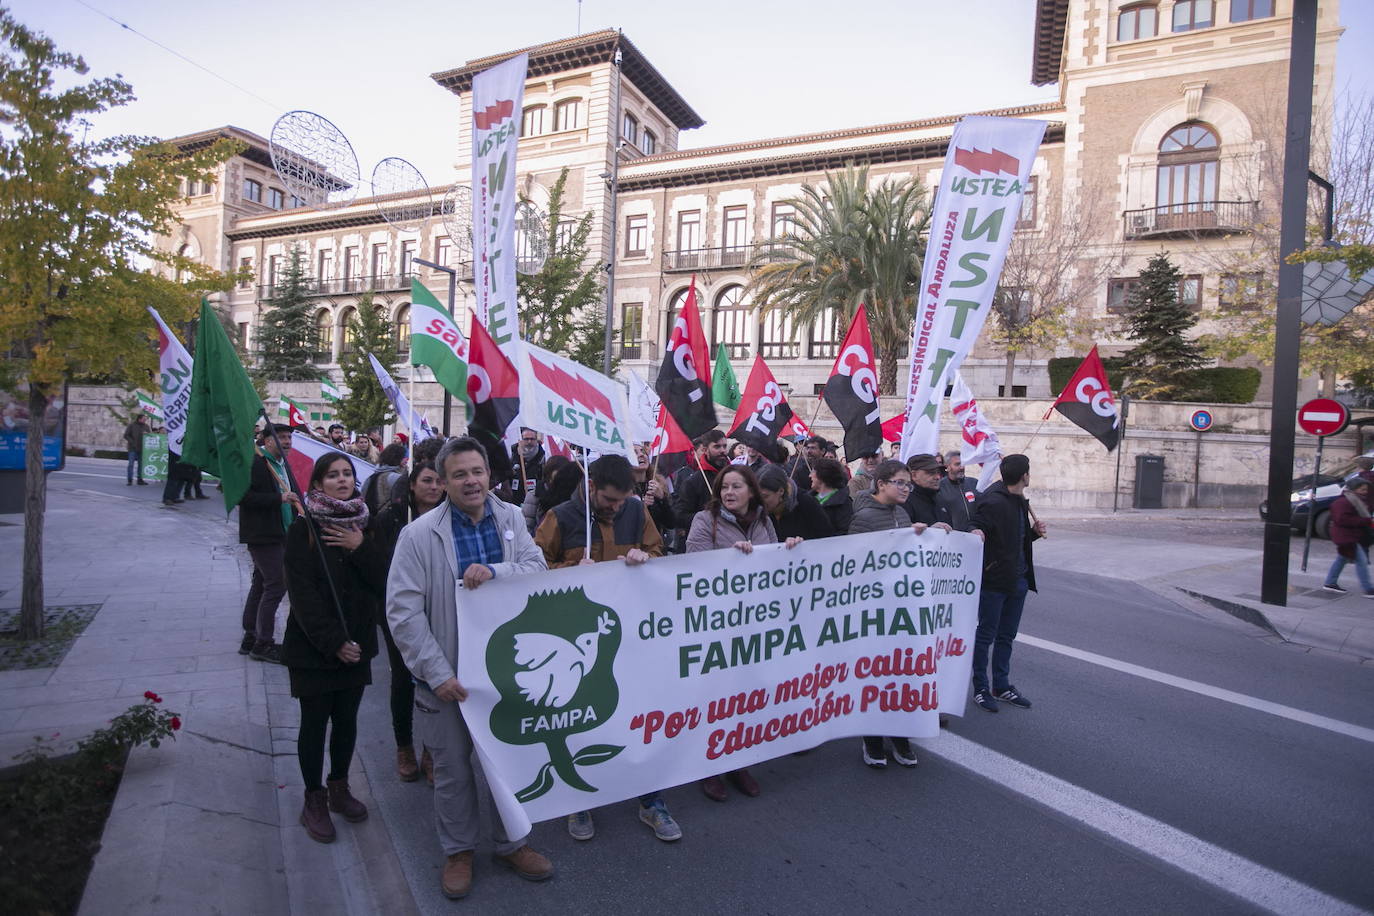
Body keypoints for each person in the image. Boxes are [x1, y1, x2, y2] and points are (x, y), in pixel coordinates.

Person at [385, 436, 553, 899]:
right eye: (459, 474)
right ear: (442, 482)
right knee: (453, 770)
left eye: (476, 471)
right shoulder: (418, 536)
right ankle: (459, 851)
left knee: (509, 765)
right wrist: (437, 673)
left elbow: (537, 570)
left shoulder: (512, 518)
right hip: (450, 679)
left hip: (508, 674)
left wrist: (497, 572)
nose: (471, 481)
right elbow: (403, 613)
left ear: (489, 474)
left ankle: (512, 843)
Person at [535, 455, 679, 842]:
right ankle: (578, 799)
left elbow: (661, 558)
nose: (618, 507)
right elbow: (531, 570)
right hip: (575, 642)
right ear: (593, 486)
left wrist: (645, 558)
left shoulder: (635, 510)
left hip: (630, 638)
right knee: (581, 722)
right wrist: (570, 573)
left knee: (640, 720)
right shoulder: (560, 517)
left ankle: (651, 801)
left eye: (623, 500)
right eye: (611, 499)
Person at [282, 451, 386, 844]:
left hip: (357, 648)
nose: (342, 480)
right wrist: (334, 642)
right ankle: (314, 799)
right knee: (314, 724)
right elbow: (302, 596)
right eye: (333, 475)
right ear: (318, 484)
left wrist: (360, 546)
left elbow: (383, 582)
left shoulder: (366, 524)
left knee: (346, 721)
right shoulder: (303, 528)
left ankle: (339, 786)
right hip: (314, 650)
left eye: (347, 474)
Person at [686, 465, 802, 800]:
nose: (728, 493)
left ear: (751, 490)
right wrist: (730, 560)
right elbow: (691, 565)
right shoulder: (704, 520)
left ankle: (738, 761)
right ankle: (709, 767)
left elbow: (776, 566)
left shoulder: (764, 521)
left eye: (736, 486)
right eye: (724, 487)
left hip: (755, 623)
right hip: (717, 624)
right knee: (716, 696)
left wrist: (791, 549)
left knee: (745, 695)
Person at [849, 458, 944, 768]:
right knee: (875, 677)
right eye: (900, 483)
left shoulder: (903, 514)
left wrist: (920, 536)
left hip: (901, 614)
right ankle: (872, 739)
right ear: (881, 484)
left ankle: (900, 735)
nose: (906, 488)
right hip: (874, 616)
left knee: (901, 676)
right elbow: (853, 568)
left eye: (908, 483)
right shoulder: (863, 518)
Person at [371, 460, 447, 782]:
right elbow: (381, 567)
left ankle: (431, 751)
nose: (433, 487)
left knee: (435, 681)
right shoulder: (391, 518)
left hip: (441, 611)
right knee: (403, 680)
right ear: (412, 485)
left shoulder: (450, 518)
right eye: (427, 481)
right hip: (401, 612)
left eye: (438, 482)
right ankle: (405, 748)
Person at [969, 454, 1045, 714]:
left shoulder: (1019, 501)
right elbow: (975, 528)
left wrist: (1033, 534)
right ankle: (980, 686)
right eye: (1029, 471)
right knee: (986, 636)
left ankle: (1001, 685)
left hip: (1018, 581)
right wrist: (975, 532)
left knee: (1007, 636)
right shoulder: (992, 501)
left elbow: (1014, 541)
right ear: (1024, 476)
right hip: (995, 582)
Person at [238, 426, 302, 662]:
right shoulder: (258, 463)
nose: (286, 442)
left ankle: (250, 636)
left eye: (289, 438)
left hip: (281, 532)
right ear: (266, 441)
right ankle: (263, 643)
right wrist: (279, 498)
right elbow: (243, 497)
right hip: (263, 535)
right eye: (281, 438)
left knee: (261, 583)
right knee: (276, 585)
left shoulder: (282, 465)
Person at [670, 429, 729, 550]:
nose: (722, 450)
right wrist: (707, 517)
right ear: (705, 450)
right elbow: (679, 515)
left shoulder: (735, 475)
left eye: (724, 446)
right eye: (717, 447)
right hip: (705, 544)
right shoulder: (693, 481)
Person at [1322, 478, 1374, 597]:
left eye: (1366, 489)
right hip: (1345, 536)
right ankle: (1368, 589)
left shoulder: (1356, 500)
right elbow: (1341, 519)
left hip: (1351, 535)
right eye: (1362, 489)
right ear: (1354, 489)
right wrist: (1364, 521)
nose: (1365, 492)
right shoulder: (1343, 502)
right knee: (1362, 561)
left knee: (1342, 559)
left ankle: (1330, 583)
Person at [757, 464, 834, 541]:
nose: (760, 501)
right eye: (757, 496)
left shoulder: (807, 503)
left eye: (765, 496)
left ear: (781, 491)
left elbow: (826, 538)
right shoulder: (757, 511)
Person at [903, 454, 953, 528]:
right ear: (914, 475)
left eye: (938, 472)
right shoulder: (905, 501)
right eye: (931, 472)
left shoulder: (941, 499)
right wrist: (930, 531)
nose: (937, 477)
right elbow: (901, 534)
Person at [810, 457, 854, 534]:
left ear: (822, 475)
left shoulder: (843, 502)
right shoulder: (807, 499)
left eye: (813, 472)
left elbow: (844, 531)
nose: (809, 476)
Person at [363, 443, 408, 515]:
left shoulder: (370, 477)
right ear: (398, 459)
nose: (406, 460)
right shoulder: (396, 478)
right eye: (404, 457)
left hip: (371, 519)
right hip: (390, 520)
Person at [940, 451, 978, 531]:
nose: (961, 467)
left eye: (963, 464)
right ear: (948, 466)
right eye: (957, 464)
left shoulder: (974, 483)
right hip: (953, 536)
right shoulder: (940, 487)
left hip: (976, 534)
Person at [510, 427, 546, 502]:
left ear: (536, 440)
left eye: (532, 439)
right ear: (521, 439)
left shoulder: (542, 457)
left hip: (533, 499)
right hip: (514, 498)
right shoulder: (512, 454)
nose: (529, 442)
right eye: (526, 439)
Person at [124, 415, 149, 486]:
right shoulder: (131, 425)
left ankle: (140, 479)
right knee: (131, 464)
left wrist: (147, 434)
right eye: (144, 419)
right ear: (139, 419)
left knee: (141, 465)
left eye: (145, 419)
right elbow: (126, 435)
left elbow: (150, 436)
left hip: (142, 449)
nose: (145, 420)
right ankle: (130, 480)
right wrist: (132, 442)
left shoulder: (146, 426)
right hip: (132, 448)